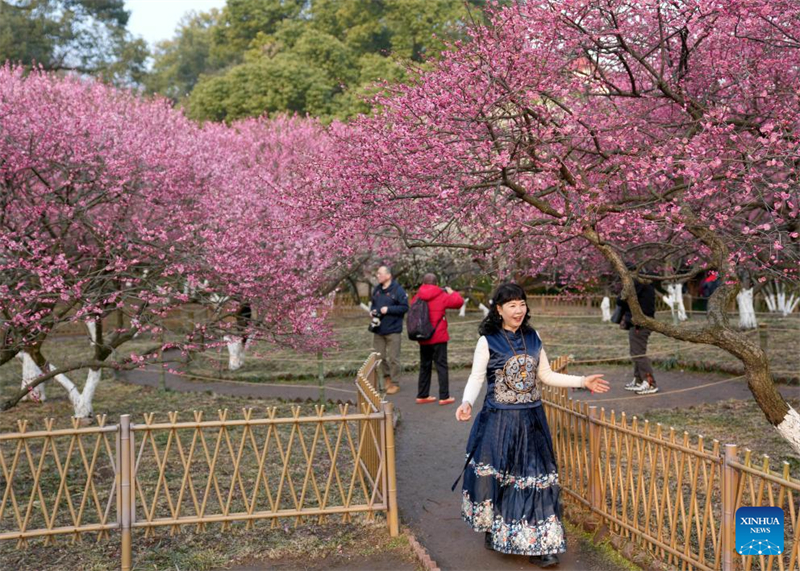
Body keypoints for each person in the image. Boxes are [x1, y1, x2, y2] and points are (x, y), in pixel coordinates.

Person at [455, 284, 608, 568]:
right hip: (499, 420)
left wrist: (582, 381)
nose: (518, 309)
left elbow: (546, 376)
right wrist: (466, 402)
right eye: (511, 304)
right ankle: (495, 529)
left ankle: (541, 546)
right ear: (498, 309)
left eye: (522, 303)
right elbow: (477, 378)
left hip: (532, 421)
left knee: (535, 480)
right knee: (499, 478)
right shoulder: (487, 341)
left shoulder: (534, 337)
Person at [411, 273, 464, 405]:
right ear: (436, 283)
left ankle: (422, 395)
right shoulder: (441, 295)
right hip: (438, 336)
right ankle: (444, 396)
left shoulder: (418, 296)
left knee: (425, 365)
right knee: (441, 366)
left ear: (423, 283)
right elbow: (459, 302)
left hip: (423, 336)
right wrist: (452, 292)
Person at [617, 269, 661, 395]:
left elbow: (620, 300)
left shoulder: (637, 284)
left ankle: (650, 382)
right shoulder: (644, 282)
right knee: (636, 352)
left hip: (640, 323)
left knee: (638, 353)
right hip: (640, 322)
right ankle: (639, 380)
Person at [370, 266, 409, 394]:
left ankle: (395, 382)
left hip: (393, 329)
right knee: (379, 357)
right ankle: (386, 378)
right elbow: (374, 304)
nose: (377, 276)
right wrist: (373, 312)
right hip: (379, 328)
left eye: (380, 273)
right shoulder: (377, 290)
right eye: (377, 273)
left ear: (388, 275)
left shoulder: (398, 290)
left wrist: (389, 309)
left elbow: (404, 307)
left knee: (394, 358)